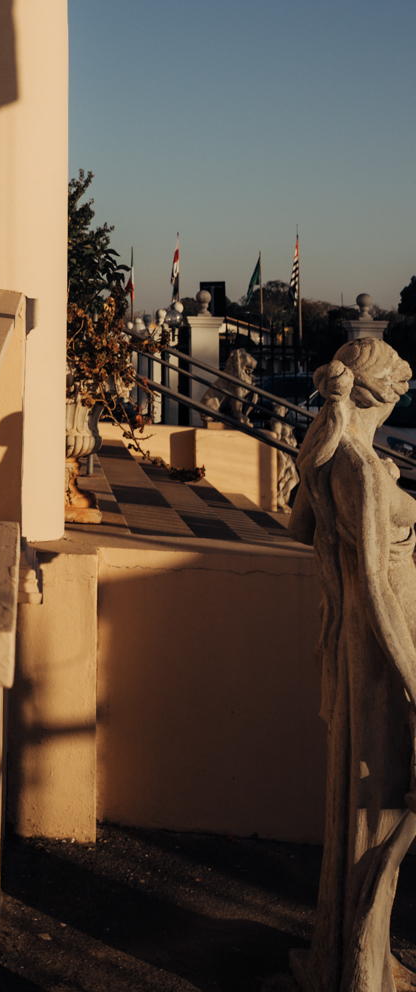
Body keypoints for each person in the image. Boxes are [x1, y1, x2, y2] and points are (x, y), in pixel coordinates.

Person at [288, 338, 416, 992]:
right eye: (400, 385)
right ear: (381, 394)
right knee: (383, 807)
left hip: (355, 649)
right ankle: (361, 969)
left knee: (365, 806)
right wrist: (415, 679)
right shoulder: (362, 470)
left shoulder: (329, 454)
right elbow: (373, 583)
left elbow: (294, 527)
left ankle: (350, 957)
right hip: (382, 653)